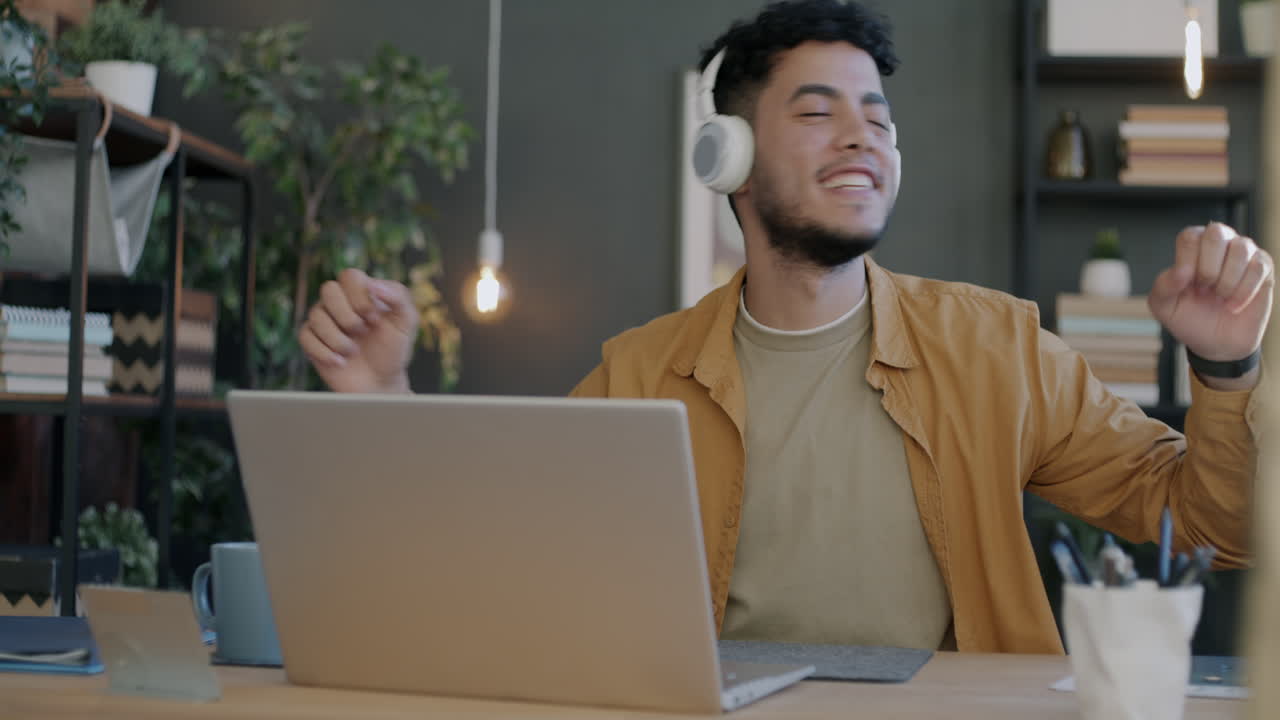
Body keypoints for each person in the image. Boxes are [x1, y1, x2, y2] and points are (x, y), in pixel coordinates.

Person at [297, 0, 1271, 654]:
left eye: (877, 118)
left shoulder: (999, 350)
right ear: (725, 155)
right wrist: (383, 402)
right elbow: (499, 563)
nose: (862, 137)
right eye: (818, 112)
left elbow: (1213, 527)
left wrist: (1222, 368)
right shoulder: (637, 375)